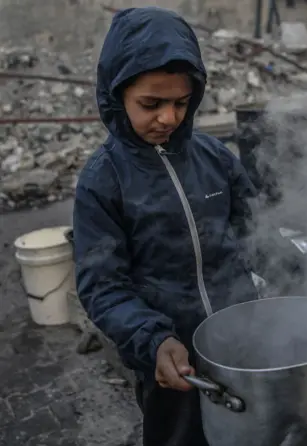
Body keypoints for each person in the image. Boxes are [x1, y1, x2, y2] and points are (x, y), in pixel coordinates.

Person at [73, 7, 259, 446]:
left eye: (181, 102)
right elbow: (102, 285)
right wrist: (152, 340)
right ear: (116, 95)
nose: (169, 118)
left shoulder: (215, 158)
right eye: (151, 104)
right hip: (174, 365)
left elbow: (257, 233)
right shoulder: (103, 181)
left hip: (243, 343)